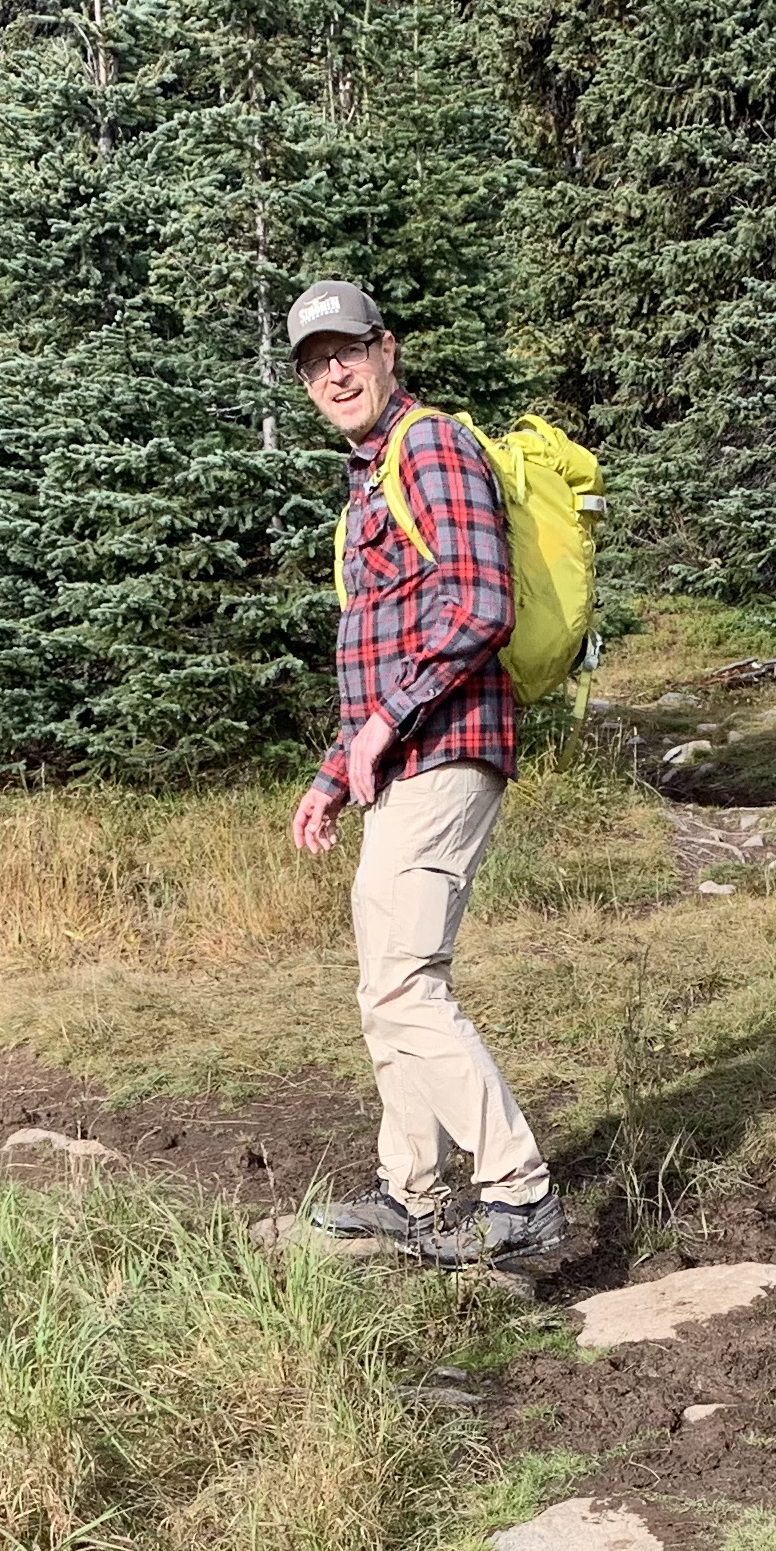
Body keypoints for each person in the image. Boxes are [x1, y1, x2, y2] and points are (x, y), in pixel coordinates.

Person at [281, 277, 564, 1271]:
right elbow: (381, 655)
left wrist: (388, 723)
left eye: (348, 352)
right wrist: (333, 769)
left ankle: (519, 1194)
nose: (335, 374)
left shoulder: (430, 445)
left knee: (405, 981)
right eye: (317, 364)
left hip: (449, 749)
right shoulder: (367, 481)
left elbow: (483, 603)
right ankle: (413, 1194)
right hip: (401, 757)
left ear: (387, 349)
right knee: (382, 985)